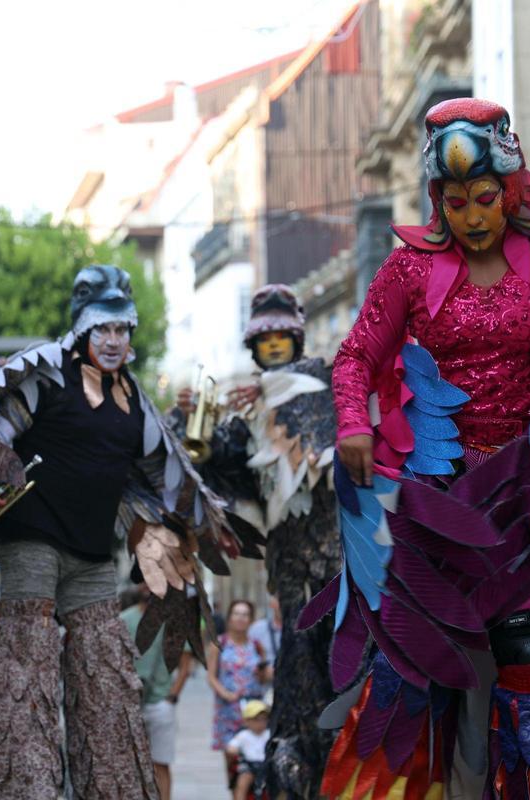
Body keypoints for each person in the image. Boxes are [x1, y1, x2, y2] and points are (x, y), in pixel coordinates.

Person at [304, 98, 530, 798]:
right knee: (415, 670)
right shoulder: (408, 272)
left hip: (528, 500)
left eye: (485, 198)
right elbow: (355, 358)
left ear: (509, 189)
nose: (474, 217)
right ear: (437, 200)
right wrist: (352, 425)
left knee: (526, 660)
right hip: (438, 496)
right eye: (456, 204)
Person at [0, 264, 236, 799]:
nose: (112, 341)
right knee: (28, 665)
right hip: (31, 541)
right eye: (102, 330)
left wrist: (195, 522)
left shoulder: (135, 400)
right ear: (83, 330)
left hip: (91, 555)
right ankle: (23, 790)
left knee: (105, 675)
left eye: (121, 330)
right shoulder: (44, 374)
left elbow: (163, 473)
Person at [172, 283, 341, 798]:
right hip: (291, 579)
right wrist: (186, 422)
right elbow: (220, 465)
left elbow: (315, 388)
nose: (272, 346)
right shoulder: (253, 417)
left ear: (296, 337)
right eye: (263, 339)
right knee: (299, 692)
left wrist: (266, 390)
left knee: (347, 678)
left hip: (342, 568)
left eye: (281, 336)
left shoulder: (325, 384)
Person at [121, 586, 192, 800]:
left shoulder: (173, 622)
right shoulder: (124, 619)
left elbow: (185, 664)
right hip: (129, 702)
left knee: (160, 762)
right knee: (128, 763)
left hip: (161, 701)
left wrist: (172, 696)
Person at [209, 599, 265, 783]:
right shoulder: (219, 643)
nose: (241, 618)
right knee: (232, 761)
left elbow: (264, 676)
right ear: (230, 618)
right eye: (237, 614)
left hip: (253, 711)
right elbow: (211, 676)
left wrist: (264, 673)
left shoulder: (256, 645)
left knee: (253, 760)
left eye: (245, 614)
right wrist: (225, 694)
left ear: (250, 619)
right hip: (228, 711)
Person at [227, 700, 270, 800]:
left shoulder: (268, 734)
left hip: (266, 764)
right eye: (257, 720)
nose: (261, 723)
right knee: (244, 780)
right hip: (249, 764)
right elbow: (231, 747)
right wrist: (234, 751)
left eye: (264, 720)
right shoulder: (244, 735)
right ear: (247, 721)